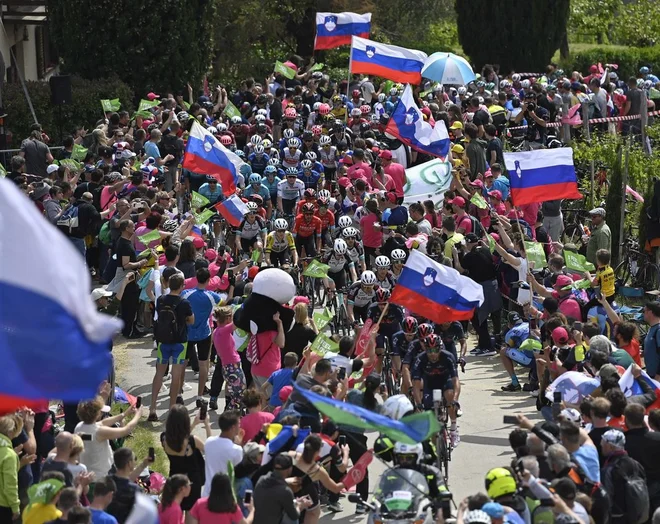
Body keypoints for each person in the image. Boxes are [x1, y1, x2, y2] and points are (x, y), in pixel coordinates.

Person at [149, 273, 195, 420]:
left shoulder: (161, 300)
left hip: (163, 341)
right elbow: (191, 320)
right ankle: (171, 409)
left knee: (159, 374)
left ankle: (152, 407)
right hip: (180, 342)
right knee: (176, 377)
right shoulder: (184, 303)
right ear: (181, 286)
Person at [182, 267, 224, 407]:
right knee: (203, 364)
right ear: (208, 280)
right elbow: (224, 306)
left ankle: (178, 393)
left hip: (187, 333)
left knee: (183, 362)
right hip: (204, 333)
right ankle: (200, 396)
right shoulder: (213, 296)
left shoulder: (186, 293)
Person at [74, 397, 141, 479]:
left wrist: (124, 414)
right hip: (102, 475)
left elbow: (102, 422)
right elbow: (125, 430)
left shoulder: (79, 426)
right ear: (98, 413)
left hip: (88, 472)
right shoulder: (100, 432)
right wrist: (137, 416)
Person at [161, 405, 209, 513]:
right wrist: (206, 424)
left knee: (175, 512)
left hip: (174, 479)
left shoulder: (164, 439)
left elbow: (179, 440)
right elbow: (209, 449)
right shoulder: (192, 441)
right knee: (191, 514)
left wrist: (194, 424)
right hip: (192, 483)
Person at [253, 454, 313, 524]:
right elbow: (294, 515)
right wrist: (301, 505)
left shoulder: (261, 479)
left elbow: (272, 501)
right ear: (289, 469)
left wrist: (295, 502)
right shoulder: (285, 491)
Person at [202, 411, 243, 498]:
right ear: (232, 427)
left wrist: (207, 424)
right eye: (238, 424)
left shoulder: (208, 443)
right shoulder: (236, 450)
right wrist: (239, 444)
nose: (240, 427)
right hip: (224, 497)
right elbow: (238, 471)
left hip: (206, 494)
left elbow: (211, 440)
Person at [0, 414, 21, 522]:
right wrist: (15, 507)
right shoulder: (9, 455)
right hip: (3, 505)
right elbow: (10, 484)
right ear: (10, 432)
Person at [643, 301, 660, 381]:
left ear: (650, 312)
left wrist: (658, 374)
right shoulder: (652, 328)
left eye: (644, 311)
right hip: (651, 375)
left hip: (657, 377)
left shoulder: (658, 330)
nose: (643, 314)